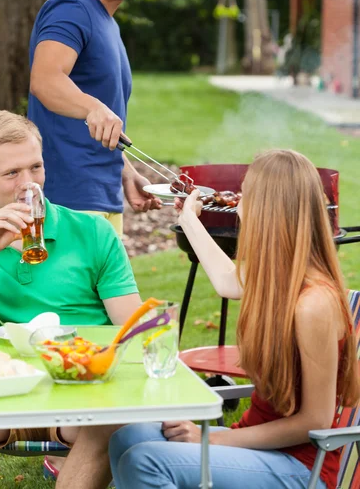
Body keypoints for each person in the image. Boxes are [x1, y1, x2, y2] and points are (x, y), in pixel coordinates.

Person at [108, 149, 360, 489]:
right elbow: (227, 280)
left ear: (268, 212)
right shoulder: (281, 278)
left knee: (146, 461)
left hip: (300, 467)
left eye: (246, 197)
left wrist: (208, 439)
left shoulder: (313, 304)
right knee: (127, 438)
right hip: (263, 448)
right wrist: (190, 221)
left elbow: (314, 421)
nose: (239, 207)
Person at [0, 110, 142, 489]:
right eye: (11, 174)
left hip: (81, 400)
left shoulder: (93, 232)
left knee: (118, 417)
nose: (29, 185)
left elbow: (134, 335)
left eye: (36, 168)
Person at [28, 0, 161, 237]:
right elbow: (45, 79)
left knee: (108, 291)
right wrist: (94, 108)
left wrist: (125, 171)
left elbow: (93, 116)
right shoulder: (72, 9)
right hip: (69, 198)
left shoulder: (107, 23)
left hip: (102, 195)